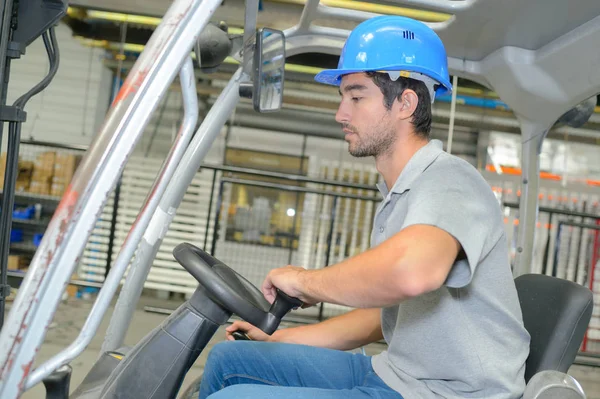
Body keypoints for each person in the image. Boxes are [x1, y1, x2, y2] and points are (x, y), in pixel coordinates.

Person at [199, 15, 530, 399]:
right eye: (343, 98)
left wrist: (307, 282)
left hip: (445, 394)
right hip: (395, 373)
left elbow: (411, 274)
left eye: (356, 97)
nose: (341, 113)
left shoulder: (450, 181)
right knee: (229, 361)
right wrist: (280, 338)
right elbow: (382, 315)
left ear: (405, 103)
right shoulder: (401, 193)